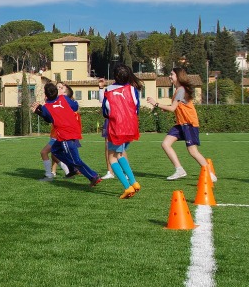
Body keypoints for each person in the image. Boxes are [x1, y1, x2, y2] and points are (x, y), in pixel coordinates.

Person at [147, 67, 216, 182]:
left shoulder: (181, 90)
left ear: (178, 77)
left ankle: (210, 174)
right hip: (181, 124)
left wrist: (156, 104)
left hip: (189, 124)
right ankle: (179, 170)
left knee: (193, 151)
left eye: (171, 74)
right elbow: (176, 107)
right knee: (165, 144)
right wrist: (164, 108)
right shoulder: (178, 90)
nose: (169, 76)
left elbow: (173, 108)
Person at [31, 82, 102, 187]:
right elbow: (75, 106)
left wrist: (38, 111)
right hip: (72, 130)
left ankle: (93, 176)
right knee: (55, 150)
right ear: (56, 92)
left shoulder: (46, 107)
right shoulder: (64, 99)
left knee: (75, 160)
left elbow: (48, 119)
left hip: (65, 135)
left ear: (45, 95)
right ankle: (72, 168)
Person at [102, 65, 142, 199]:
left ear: (114, 76)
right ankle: (134, 182)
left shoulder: (109, 90)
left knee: (111, 157)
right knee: (119, 154)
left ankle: (127, 187)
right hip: (130, 126)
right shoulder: (132, 89)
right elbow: (137, 108)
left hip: (116, 127)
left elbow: (106, 111)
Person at [37, 82, 71, 181]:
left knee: (44, 152)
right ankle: (68, 171)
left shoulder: (62, 103)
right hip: (57, 133)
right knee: (55, 155)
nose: (58, 89)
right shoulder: (58, 103)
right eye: (57, 87)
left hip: (58, 135)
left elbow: (49, 117)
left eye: (61, 88)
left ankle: (50, 175)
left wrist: (40, 110)